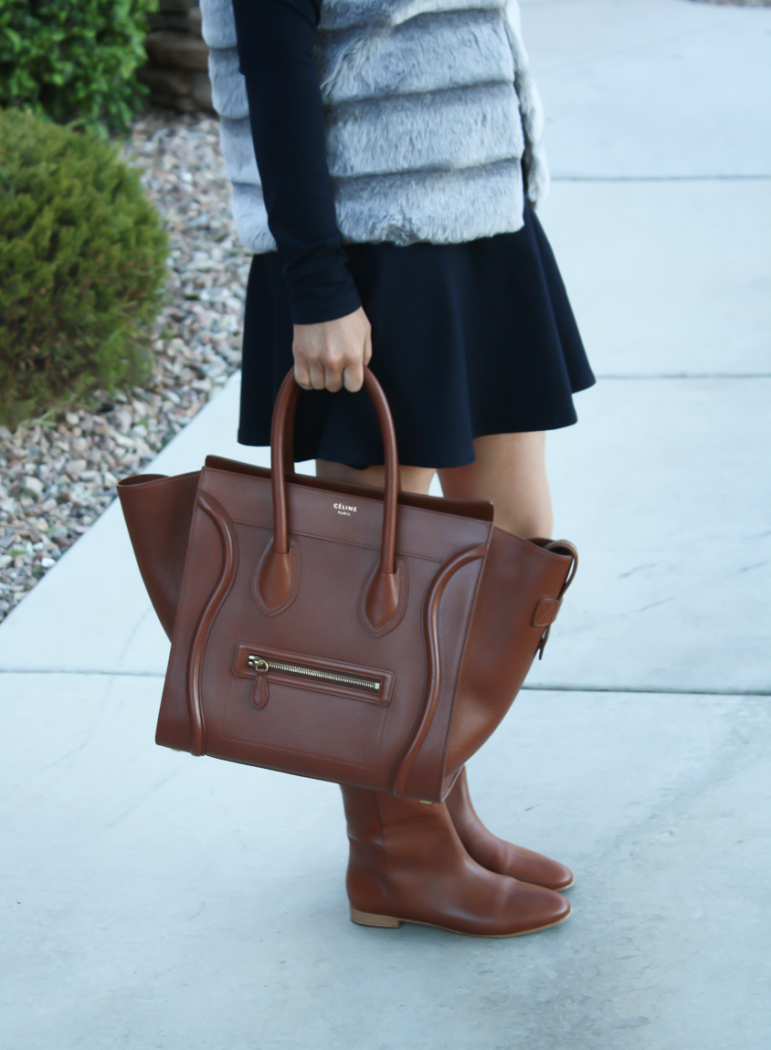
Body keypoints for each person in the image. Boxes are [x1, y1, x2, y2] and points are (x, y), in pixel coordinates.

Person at [201, 0, 595, 937]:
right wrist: (318, 286)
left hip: (479, 212)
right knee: (374, 568)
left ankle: (434, 800)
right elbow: (275, 59)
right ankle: (394, 852)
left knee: (514, 537)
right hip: (376, 240)